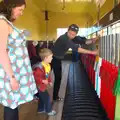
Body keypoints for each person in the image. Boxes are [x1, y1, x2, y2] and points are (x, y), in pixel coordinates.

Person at [0, 0, 38, 120]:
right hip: (10, 73)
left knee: (13, 104)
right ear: (11, 7)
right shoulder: (2, 23)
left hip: (16, 72)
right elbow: (1, 52)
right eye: (20, 9)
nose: (21, 13)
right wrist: (11, 78)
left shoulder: (7, 23)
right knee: (11, 105)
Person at [51, 24, 99, 101]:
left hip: (58, 59)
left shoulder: (73, 37)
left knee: (58, 78)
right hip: (52, 59)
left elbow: (84, 41)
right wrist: (93, 52)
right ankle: (41, 95)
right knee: (48, 77)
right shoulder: (64, 38)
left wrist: (92, 40)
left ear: (76, 34)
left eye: (73, 34)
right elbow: (77, 49)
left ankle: (54, 97)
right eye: (70, 33)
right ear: (67, 30)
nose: (71, 35)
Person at [32, 48, 56, 116]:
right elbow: (36, 77)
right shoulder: (39, 67)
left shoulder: (48, 65)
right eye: (51, 57)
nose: (52, 58)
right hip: (40, 86)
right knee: (47, 98)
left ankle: (40, 109)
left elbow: (48, 75)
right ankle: (49, 111)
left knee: (42, 98)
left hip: (43, 85)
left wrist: (49, 81)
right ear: (45, 58)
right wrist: (42, 80)